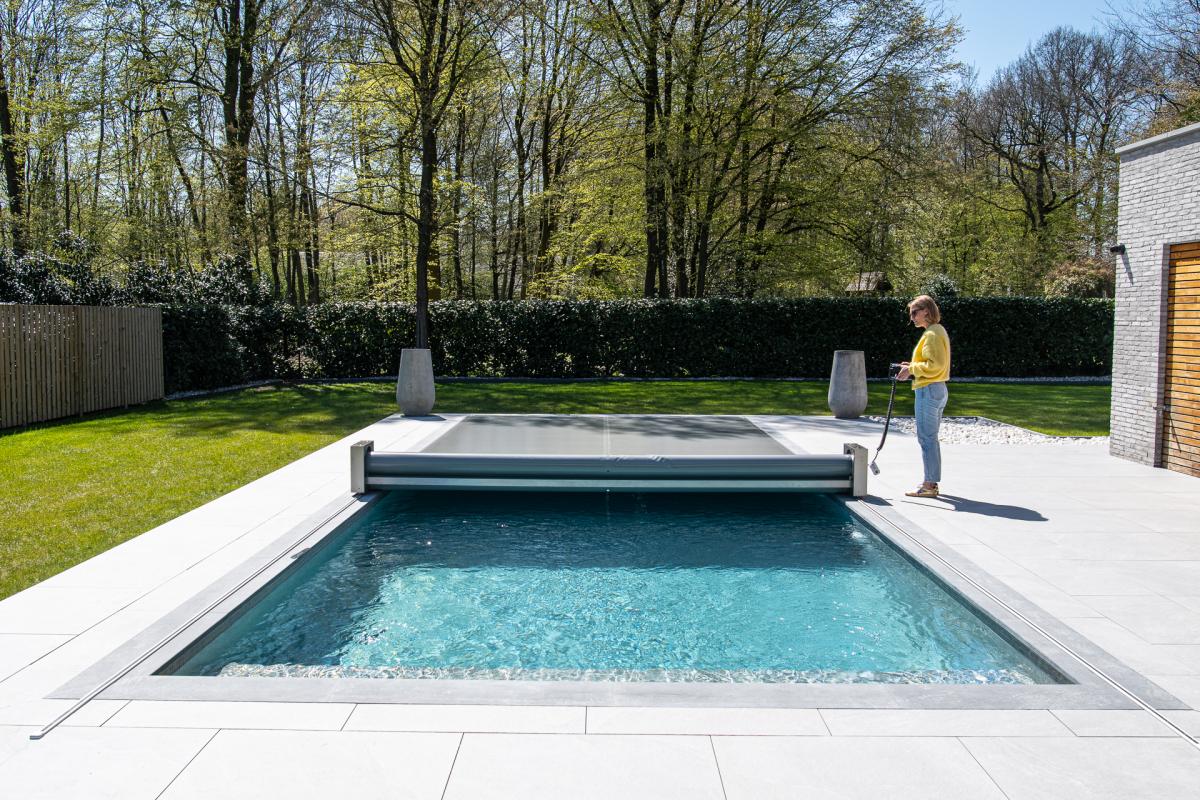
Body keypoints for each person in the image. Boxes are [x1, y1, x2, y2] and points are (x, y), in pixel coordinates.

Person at [895, 295, 950, 498]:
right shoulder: (937, 331)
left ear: (926, 310)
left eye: (914, 313)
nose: (912, 318)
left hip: (928, 389)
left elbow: (935, 365)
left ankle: (929, 485)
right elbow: (934, 363)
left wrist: (911, 370)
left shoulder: (932, 334)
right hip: (937, 388)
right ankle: (931, 482)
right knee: (930, 438)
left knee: (927, 438)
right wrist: (911, 366)